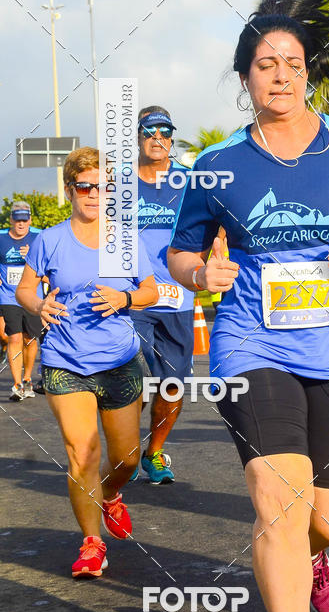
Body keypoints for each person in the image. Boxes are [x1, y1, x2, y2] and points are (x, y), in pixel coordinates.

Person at [167, 0, 329, 612]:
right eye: (264, 63)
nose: (280, 73)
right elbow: (180, 251)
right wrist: (201, 273)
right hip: (252, 343)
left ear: (308, 72)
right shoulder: (219, 165)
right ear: (244, 76)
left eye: (292, 61)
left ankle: (313, 559)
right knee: (280, 503)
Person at [16, 147, 158, 578]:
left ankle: (112, 494)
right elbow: (25, 289)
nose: (94, 194)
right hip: (64, 360)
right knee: (82, 453)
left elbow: (152, 291)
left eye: (102, 186)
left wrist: (126, 298)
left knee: (127, 458)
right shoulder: (51, 239)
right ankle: (92, 543)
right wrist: (38, 304)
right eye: (85, 186)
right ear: (70, 190)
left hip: (118, 361)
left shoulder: (125, 239)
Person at [130, 106, 195, 484]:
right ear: (138, 137)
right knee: (129, 376)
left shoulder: (190, 182)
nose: (159, 138)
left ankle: (153, 453)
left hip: (177, 298)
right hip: (132, 297)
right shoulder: (118, 184)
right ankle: (123, 447)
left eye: (166, 132)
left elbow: (215, 225)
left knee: (172, 386)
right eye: (150, 131)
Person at [0, 201, 43, 399]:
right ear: (11, 220)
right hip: (9, 296)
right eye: (17, 220)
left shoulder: (39, 237)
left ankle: (27, 379)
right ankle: (16, 384)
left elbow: (48, 270)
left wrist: (31, 257)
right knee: (14, 337)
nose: (21, 224)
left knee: (30, 339)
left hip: (33, 297)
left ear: (30, 220)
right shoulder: (1, 237)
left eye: (24, 220)